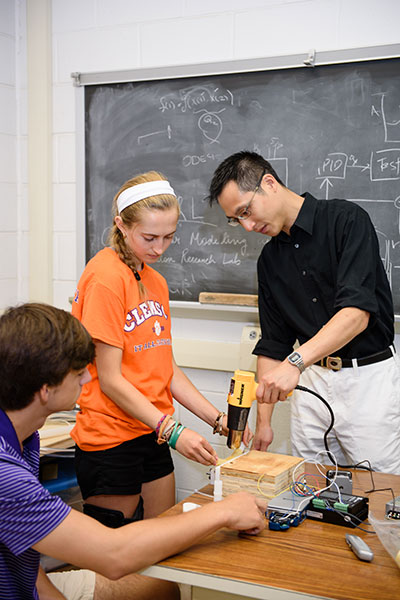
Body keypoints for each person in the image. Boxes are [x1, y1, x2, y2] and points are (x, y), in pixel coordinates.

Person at [0, 302, 266, 600]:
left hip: (24, 584)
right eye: (78, 373)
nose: (89, 379)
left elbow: (22, 550)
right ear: (45, 389)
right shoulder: (6, 475)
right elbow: (113, 554)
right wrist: (225, 512)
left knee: (162, 590)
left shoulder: (23, 436)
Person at [71, 170, 252, 528]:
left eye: (169, 237)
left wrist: (217, 419)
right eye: (149, 237)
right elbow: (109, 379)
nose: (159, 248)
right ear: (121, 225)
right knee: (117, 559)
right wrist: (173, 432)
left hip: (151, 430)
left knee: (161, 546)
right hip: (111, 438)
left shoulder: (155, 281)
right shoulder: (105, 278)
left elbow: (164, 368)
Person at [208, 150, 400, 474]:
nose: (247, 226)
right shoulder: (269, 261)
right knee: (307, 486)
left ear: (268, 183)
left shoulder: (346, 220)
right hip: (310, 383)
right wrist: (264, 422)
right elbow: (273, 343)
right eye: (236, 219)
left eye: (246, 211)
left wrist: (295, 363)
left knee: (379, 492)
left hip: (367, 380)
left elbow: (356, 314)